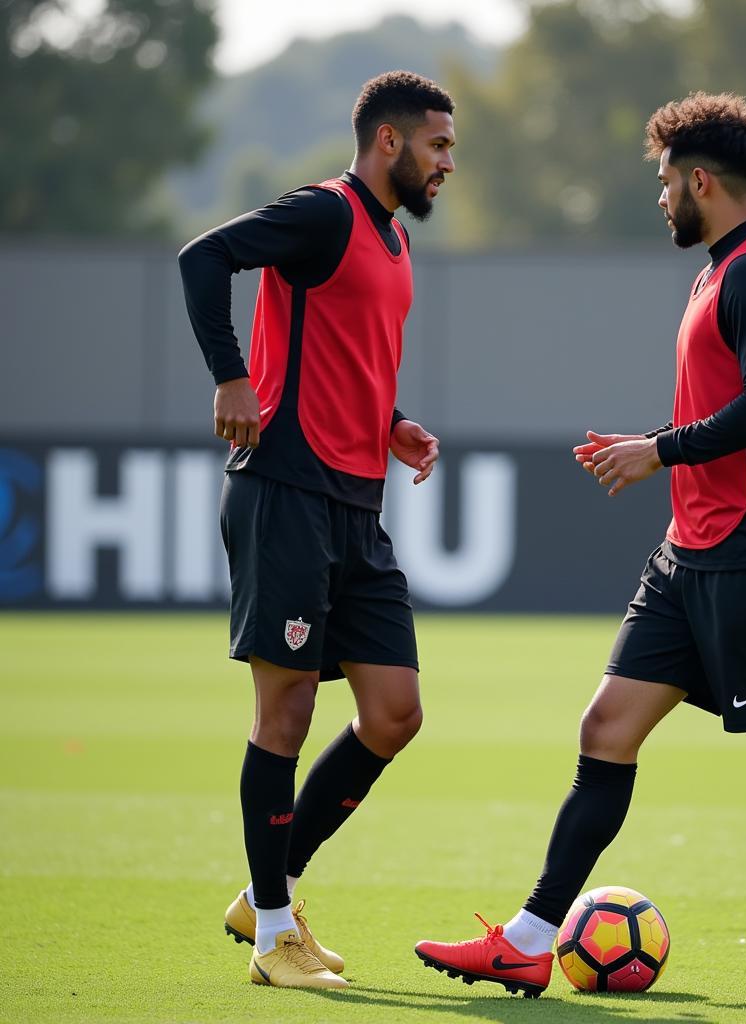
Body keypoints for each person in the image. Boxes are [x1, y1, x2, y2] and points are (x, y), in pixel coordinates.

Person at [414, 91, 746, 1002]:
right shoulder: (729, 269)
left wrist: (662, 448)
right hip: (692, 554)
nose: (660, 198)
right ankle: (527, 939)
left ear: (701, 181)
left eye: (666, 182)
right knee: (606, 728)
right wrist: (717, 455)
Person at [178, 70, 455, 991]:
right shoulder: (323, 214)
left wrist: (392, 421)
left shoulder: (393, 240)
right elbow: (201, 257)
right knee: (287, 712)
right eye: (438, 146)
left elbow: (345, 358)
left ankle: (271, 890)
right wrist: (229, 374)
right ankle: (273, 938)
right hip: (285, 492)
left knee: (394, 713)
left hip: (356, 504)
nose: (447, 163)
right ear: (388, 142)